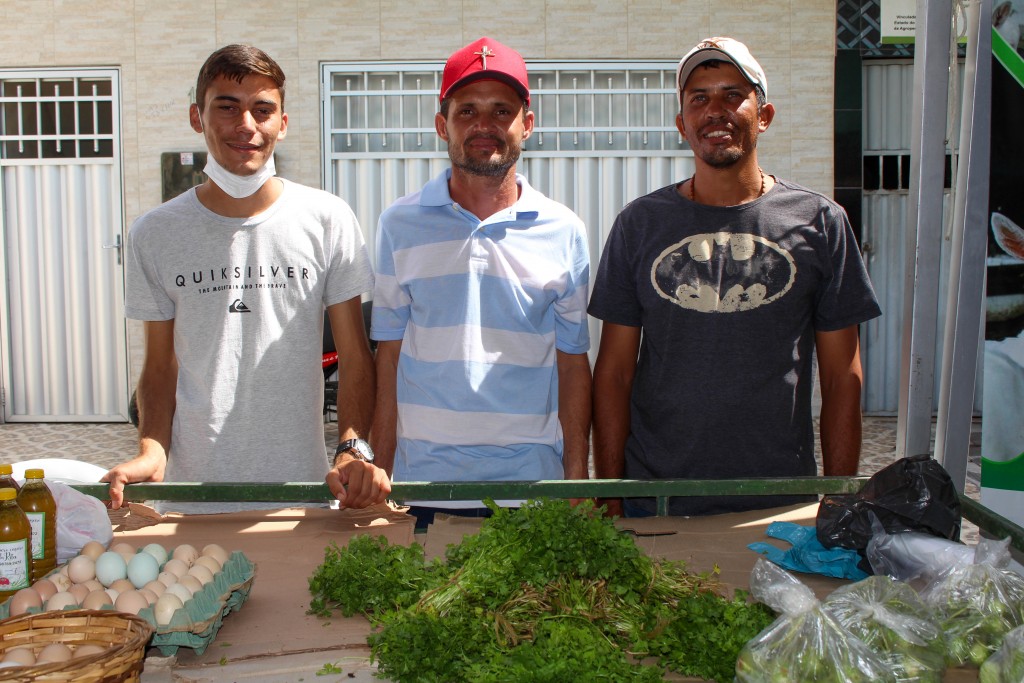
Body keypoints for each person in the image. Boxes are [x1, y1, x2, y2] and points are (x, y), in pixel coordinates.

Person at [588, 37, 882, 518]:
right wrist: (612, 491)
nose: (715, 110)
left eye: (732, 95)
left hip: (777, 499)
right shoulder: (639, 224)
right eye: (698, 98)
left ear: (763, 115)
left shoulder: (819, 221)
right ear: (682, 124)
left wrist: (838, 495)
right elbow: (616, 372)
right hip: (656, 497)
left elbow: (841, 375)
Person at [101, 45, 391, 513]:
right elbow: (159, 368)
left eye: (262, 109)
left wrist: (352, 447)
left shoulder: (327, 219)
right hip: (191, 498)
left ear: (283, 122)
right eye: (227, 107)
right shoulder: (154, 233)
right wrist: (153, 451)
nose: (246, 126)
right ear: (197, 117)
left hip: (304, 494)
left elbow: (357, 356)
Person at [370, 37, 592, 528]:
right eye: (466, 111)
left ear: (527, 125)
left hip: (533, 490)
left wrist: (577, 483)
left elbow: (573, 364)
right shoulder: (398, 225)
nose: (484, 125)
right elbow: (388, 357)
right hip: (421, 487)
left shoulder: (564, 231)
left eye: (501, 111)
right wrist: (379, 473)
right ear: (441, 125)